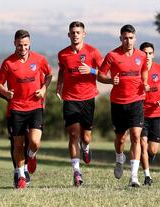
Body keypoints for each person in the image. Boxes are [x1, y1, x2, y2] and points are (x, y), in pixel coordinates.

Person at [0, 29, 52, 189]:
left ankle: (31, 155)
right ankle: (20, 175)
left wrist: (44, 89)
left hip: (35, 107)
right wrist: (5, 92)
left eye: (26, 45)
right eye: (20, 45)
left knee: (34, 142)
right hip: (16, 109)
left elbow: (49, 76)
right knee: (18, 144)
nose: (23, 48)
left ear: (30, 43)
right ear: (14, 43)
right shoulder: (8, 63)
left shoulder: (39, 59)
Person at [98, 24, 149, 187]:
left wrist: (145, 82)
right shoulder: (112, 55)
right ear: (121, 38)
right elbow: (100, 75)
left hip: (137, 100)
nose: (128, 41)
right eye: (125, 38)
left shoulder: (141, 55)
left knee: (136, 135)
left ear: (135, 38)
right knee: (121, 139)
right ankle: (120, 158)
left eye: (131, 38)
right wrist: (110, 80)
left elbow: (144, 70)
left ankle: (134, 177)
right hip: (118, 102)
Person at [56, 21, 103, 186]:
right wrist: (59, 85)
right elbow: (62, 70)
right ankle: (77, 172)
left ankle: (86, 147)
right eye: (73, 32)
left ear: (84, 34)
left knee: (86, 136)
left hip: (88, 98)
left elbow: (104, 73)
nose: (75, 35)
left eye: (78, 32)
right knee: (73, 134)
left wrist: (90, 70)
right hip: (70, 98)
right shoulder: (63, 54)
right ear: (69, 35)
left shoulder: (93, 52)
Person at [139, 42, 160, 186]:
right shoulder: (136, 71)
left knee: (152, 149)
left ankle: (148, 158)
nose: (147, 56)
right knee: (143, 144)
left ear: (153, 54)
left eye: (150, 53)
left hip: (157, 113)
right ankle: (147, 176)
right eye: (145, 53)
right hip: (141, 113)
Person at [0, 87, 31, 188]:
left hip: (33, 109)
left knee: (30, 139)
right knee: (15, 142)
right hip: (14, 111)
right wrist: (7, 95)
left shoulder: (37, 70)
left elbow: (43, 86)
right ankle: (18, 171)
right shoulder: (7, 70)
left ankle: (26, 165)